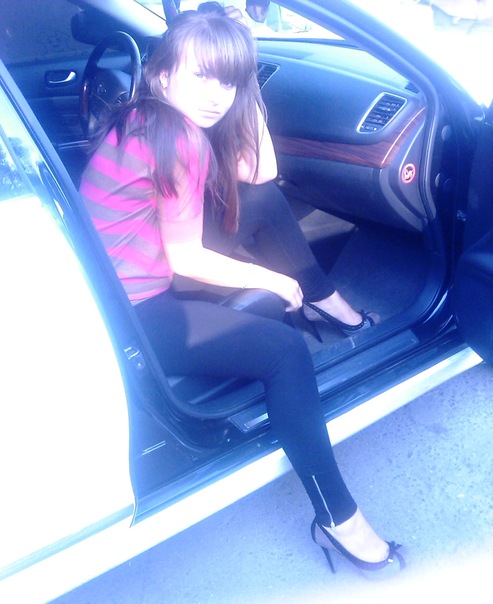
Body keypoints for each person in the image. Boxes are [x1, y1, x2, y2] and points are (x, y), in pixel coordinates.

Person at [79, 6, 402, 573]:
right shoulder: (180, 139)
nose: (216, 95)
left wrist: (246, 87)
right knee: (284, 352)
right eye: (201, 75)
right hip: (128, 315)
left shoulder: (141, 114)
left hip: (117, 277)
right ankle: (337, 519)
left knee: (262, 203)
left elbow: (261, 175)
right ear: (162, 75)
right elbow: (186, 257)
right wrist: (272, 279)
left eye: (228, 81)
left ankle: (329, 307)